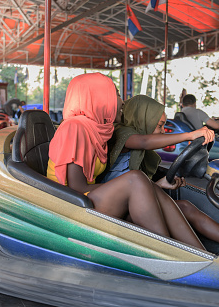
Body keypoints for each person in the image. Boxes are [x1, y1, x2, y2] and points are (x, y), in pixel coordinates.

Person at [47, 73, 205, 250]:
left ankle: (202, 256)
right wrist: (138, 186)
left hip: (87, 200)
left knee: (146, 183)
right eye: (115, 94)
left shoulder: (96, 130)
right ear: (98, 98)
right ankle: (167, 253)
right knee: (136, 179)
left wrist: (151, 186)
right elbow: (77, 188)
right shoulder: (75, 127)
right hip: (70, 206)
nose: (122, 102)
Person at [102, 95, 219, 247]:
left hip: (130, 203)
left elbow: (137, 190)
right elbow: (144, 143)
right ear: (143, 119)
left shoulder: (137, 148)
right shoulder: (122, 134)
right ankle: (196, 258)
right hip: (116, 212)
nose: (163, 131)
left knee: (185, 206)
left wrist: (159, 184)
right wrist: (190, 135)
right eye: (159, 125)